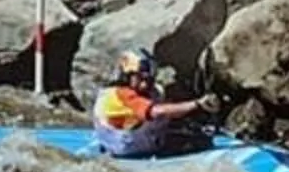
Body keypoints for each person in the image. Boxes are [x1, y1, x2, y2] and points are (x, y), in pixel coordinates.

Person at [91, 47, 219, 157]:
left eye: (148, 79)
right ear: (126, 76)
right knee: (199, 141)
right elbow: (157, 112)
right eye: (140, 78)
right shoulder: (119, 95)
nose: (144, 84)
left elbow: (167, 112)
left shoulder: (151, 92)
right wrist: (197, 104)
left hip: (137, 142)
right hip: (126, 147)